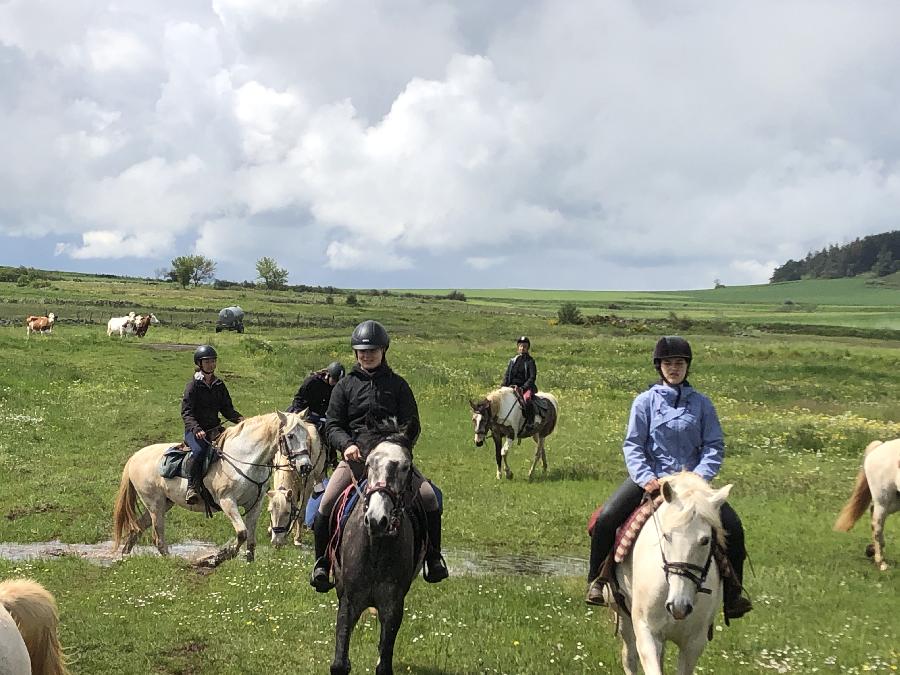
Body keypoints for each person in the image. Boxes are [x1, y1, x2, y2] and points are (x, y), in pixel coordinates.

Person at [585, 336, 752, 621]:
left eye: (679, 363)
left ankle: (733, 594)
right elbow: (633, 445)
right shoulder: (644, 402)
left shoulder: (703, 405)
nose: (674, 368)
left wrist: (699, 478)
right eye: (668, 363)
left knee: (734, 528)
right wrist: (646, 477)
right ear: (659, 367)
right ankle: (597, 581)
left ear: (687, 367)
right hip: (651, 479)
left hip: (692, 485)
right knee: (607, 518)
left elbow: (714, 446)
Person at [310, 320, 449, 592]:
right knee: (325, 504)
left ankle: (433, 558)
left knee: (430, 497)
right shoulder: (345, 386)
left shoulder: (398, 386)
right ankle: (322, 564)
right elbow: (333, 424)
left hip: (392, 461)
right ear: (355, 353)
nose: (366, 355)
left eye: (372, 350)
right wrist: (347, 444)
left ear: (384, 350)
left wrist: (398, 446)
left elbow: (412, 424)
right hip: (356, 460)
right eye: (361, 350)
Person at [181, 345, 244, 505]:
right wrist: (196, 429)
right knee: (200, 451)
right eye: (207, 361)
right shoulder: (193, 386)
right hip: (195, 431)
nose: (211, 364)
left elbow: (227, 409)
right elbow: (186, 412)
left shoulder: (219, 385)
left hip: (215, 429)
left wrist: (240, 419)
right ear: (199, 363)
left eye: (213, 361)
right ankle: (192, 486)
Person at [502, 336, 538, 431]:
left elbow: (532, 377)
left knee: (527, 399)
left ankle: (530, 422)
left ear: (527, 348)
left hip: (525, 388)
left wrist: (523, 387)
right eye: (521, 346)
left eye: (525, 346)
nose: (522, 348)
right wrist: (502, 386)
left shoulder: (530, 361)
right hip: (511, 387)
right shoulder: (513, 361)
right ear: (518, 347)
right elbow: (507, 375)